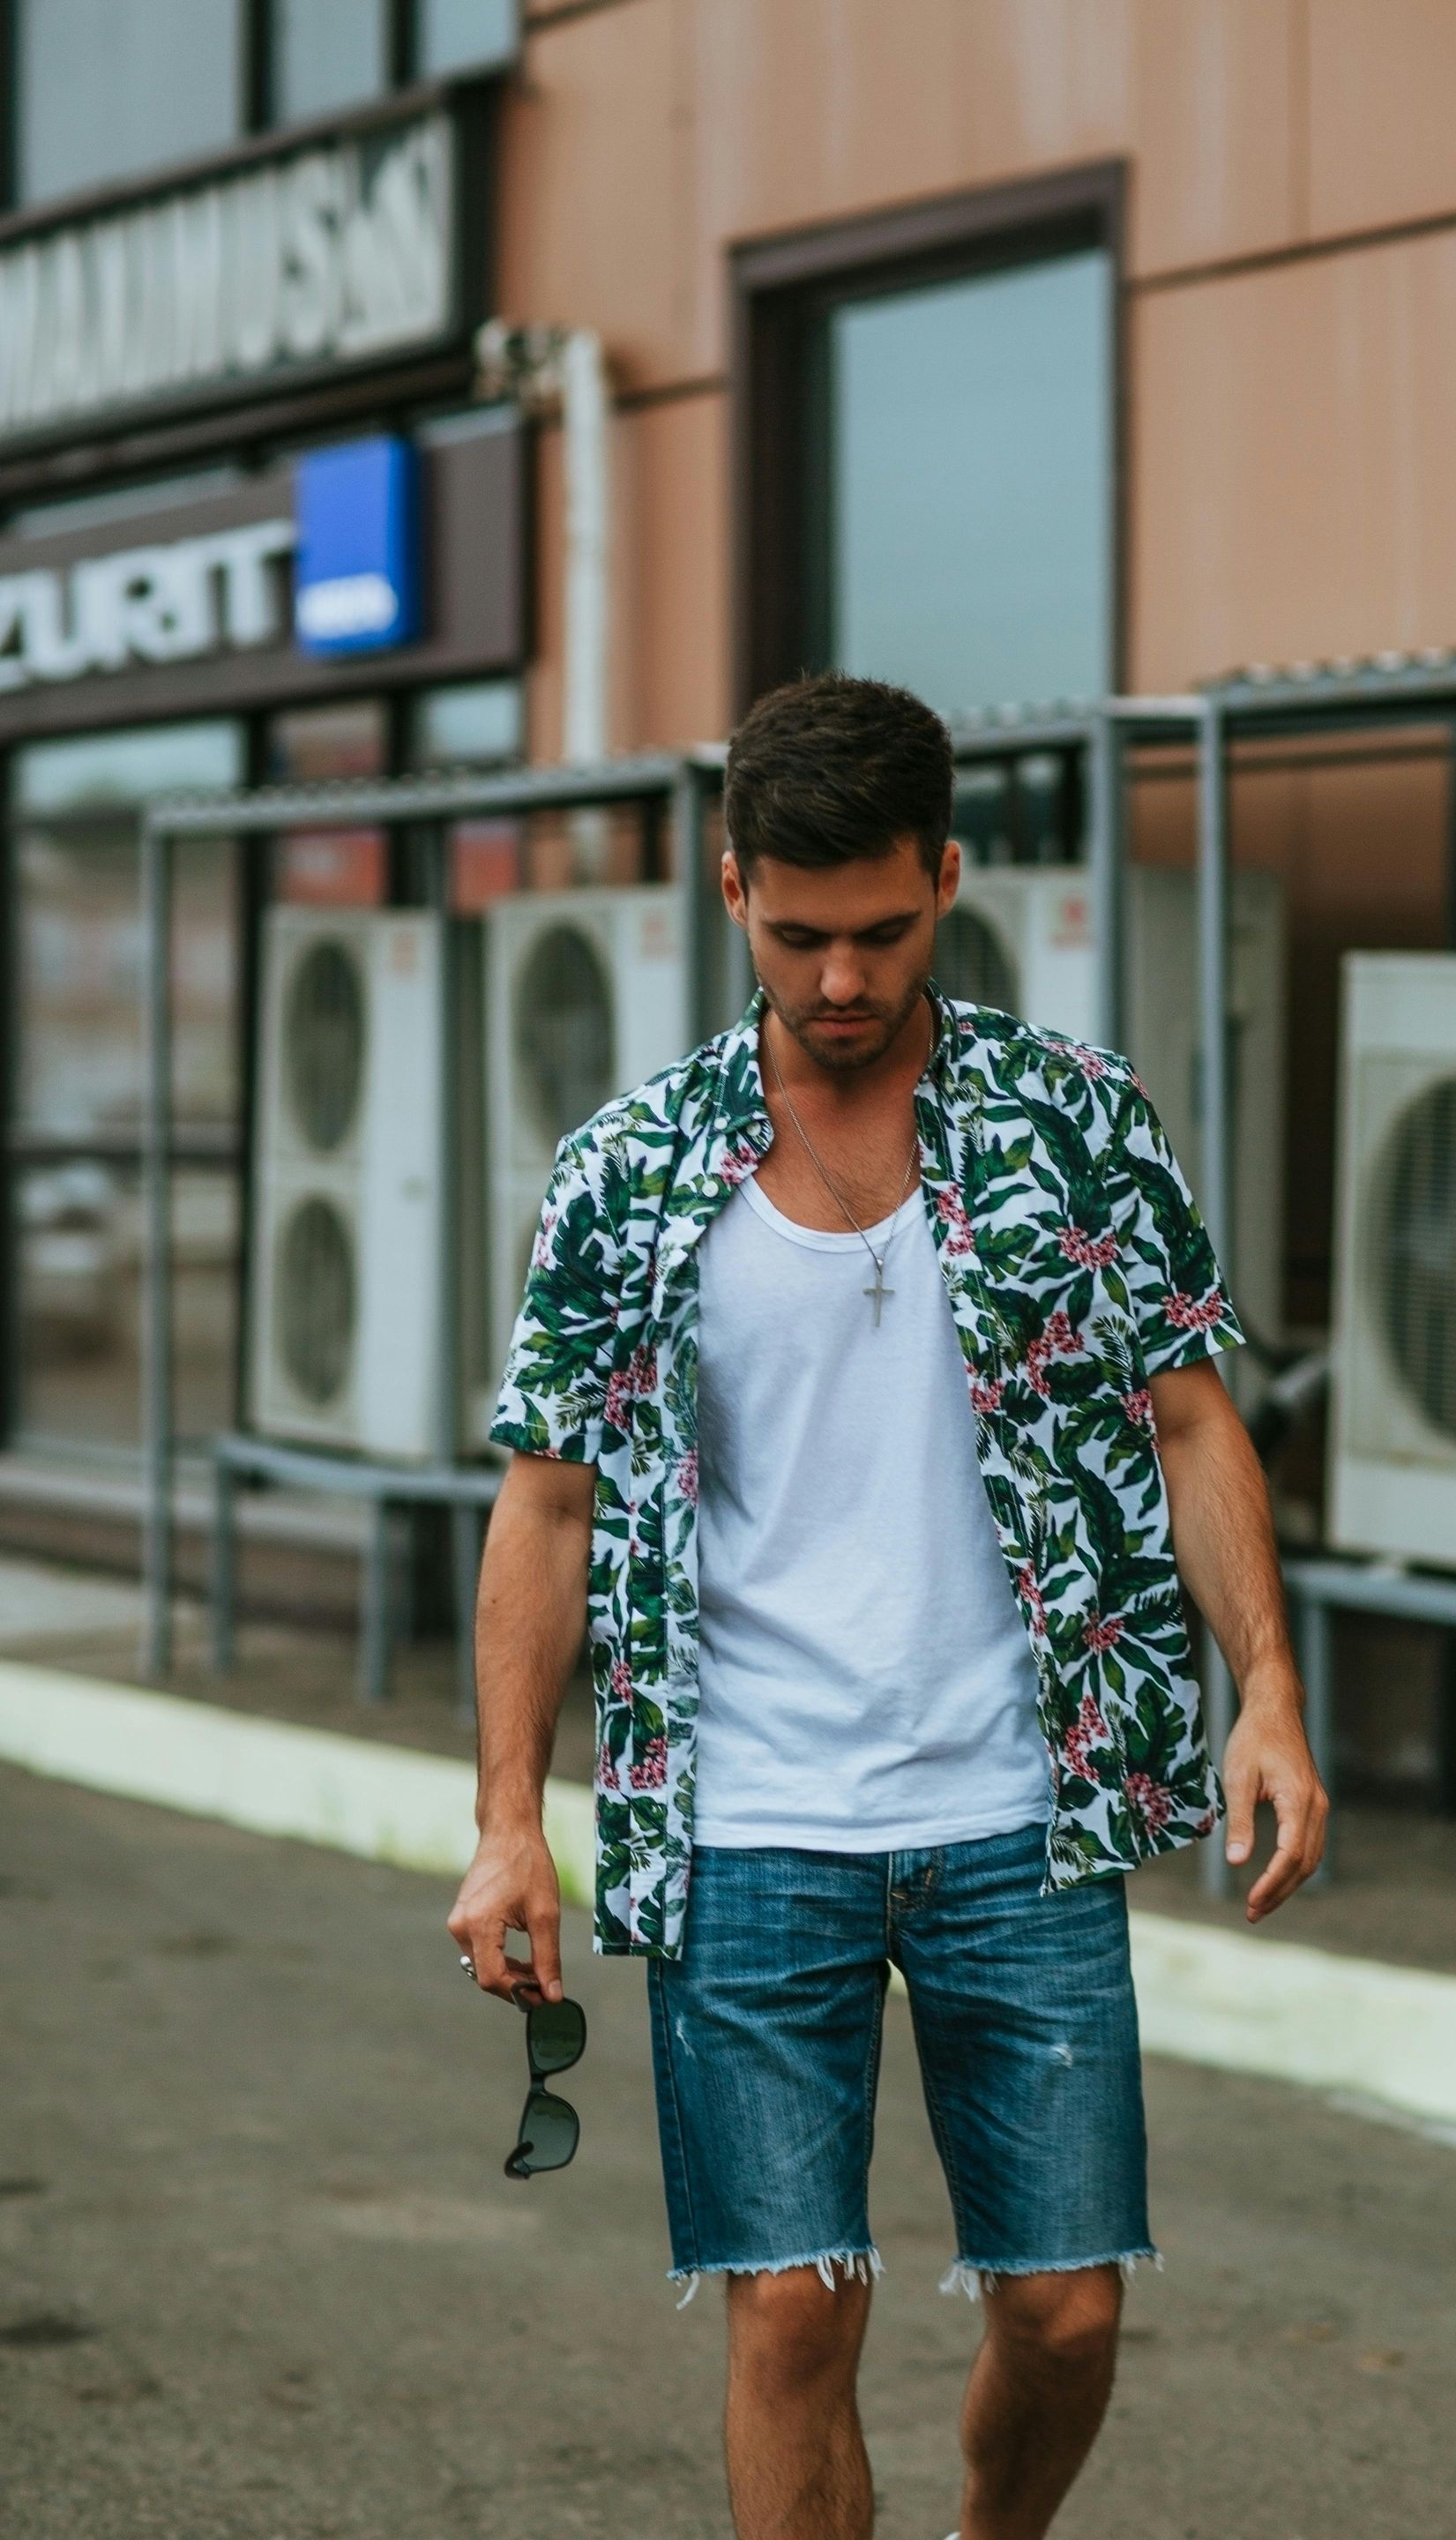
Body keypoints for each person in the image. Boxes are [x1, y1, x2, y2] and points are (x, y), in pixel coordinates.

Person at [449, 672, 1328, 2540]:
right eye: (797, 937)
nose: (842, 978)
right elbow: (547, 1503)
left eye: (880, 931)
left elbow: (1192, 1421)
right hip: (752, 1816)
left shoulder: (1075, 1123)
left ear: (946, 877)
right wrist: (509, 1816)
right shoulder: (629, 1171)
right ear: (732, 888)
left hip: (1022, 1808)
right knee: (789, 2311)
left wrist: (1268, 1693)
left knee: (1068, 2312)